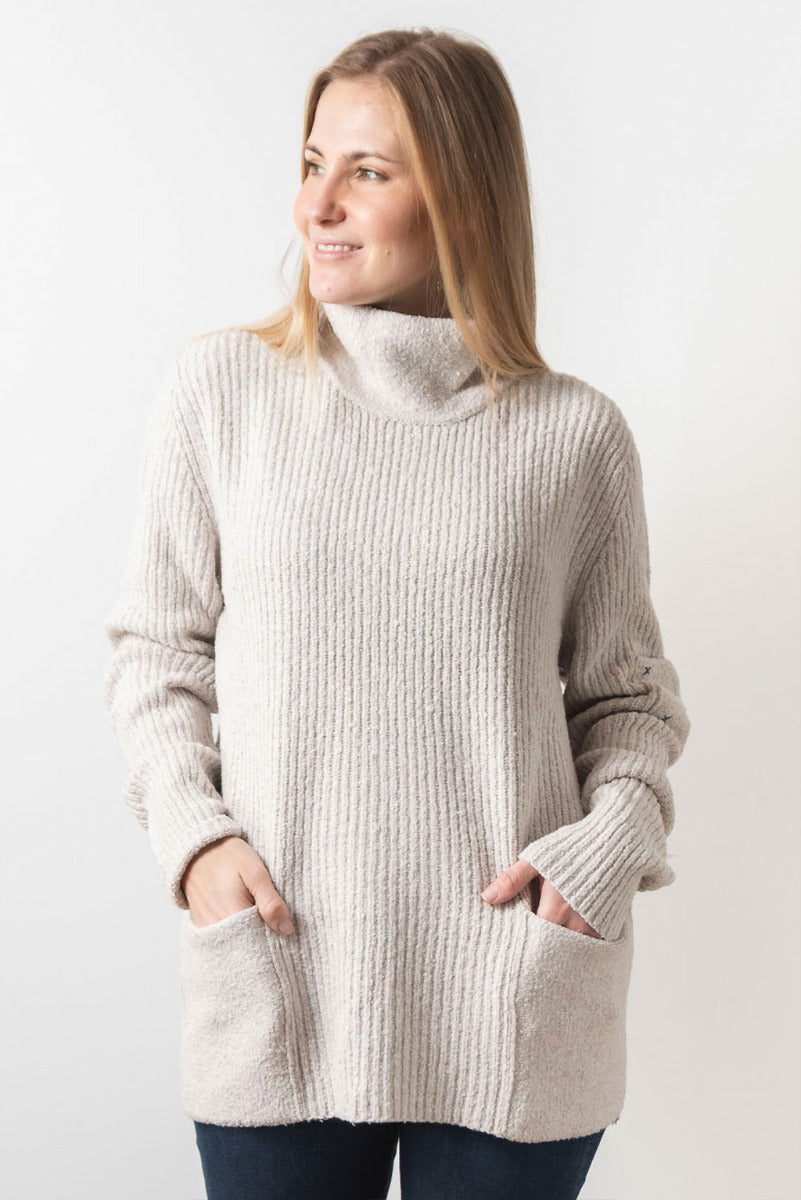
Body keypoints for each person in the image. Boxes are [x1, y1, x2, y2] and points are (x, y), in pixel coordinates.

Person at [102, 26, 691, 1200]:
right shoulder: (222, 394)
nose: (316, 205)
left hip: (512, 991)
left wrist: (605, 851)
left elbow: (629, 701)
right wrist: (197, 842)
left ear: (464, 195)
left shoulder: (574, 437)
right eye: (311, 162)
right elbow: (157, 655)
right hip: (279, 975)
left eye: (366, 171)